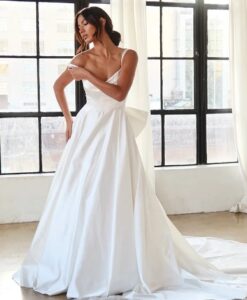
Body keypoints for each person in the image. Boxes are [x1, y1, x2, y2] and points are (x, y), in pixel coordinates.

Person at [12, 6, 247, 300]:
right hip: (89, 130)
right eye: (79, 26)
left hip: (115, 130)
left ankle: (123, 258)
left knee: (118, 189)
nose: (82, 30)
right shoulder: (81, 57)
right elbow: (58, 86)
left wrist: (86, 75)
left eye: (85, 24)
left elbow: (120, 94)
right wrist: (68, 119)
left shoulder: (128, 56)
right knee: (82, 191)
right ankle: (81, 259)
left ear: (102, 22)